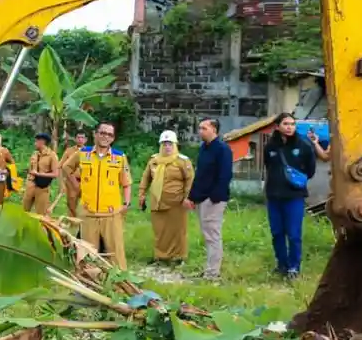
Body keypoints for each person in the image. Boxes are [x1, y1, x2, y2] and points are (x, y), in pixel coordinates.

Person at [61, 122, 132, 269]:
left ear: (113, 138)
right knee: (87, 253)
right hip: (88, 212)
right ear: (96, 134)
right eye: (103, 133)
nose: (105, 137)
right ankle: (89, 285)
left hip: (111, 213)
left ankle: (120, 284)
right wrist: (76, 185)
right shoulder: (83, 154)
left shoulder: (119, 158)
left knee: (115, 252)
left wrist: (126, 203)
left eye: (109, 134)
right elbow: (66, 167)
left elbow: (126, 183)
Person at [263, 113, 317, 279]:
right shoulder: (270, 147)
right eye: (286, 124)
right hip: (274, 196)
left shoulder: (303, 145)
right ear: (277, 126)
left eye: (292, 124)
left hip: (294, 196)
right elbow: (268, 166)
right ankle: (281, 264)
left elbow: (311, 169)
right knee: (277, 233)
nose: (289, 127)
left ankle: (294, 266)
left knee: (294, 234)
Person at [139, 130, 195, 264]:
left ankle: (178, 257)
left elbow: (190, 180)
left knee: (178, 230)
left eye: (170, 144)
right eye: (164, 144)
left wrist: (188, 198)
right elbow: (145, 178)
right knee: (160, 230)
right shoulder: (154, 161)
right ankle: (161, 256)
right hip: (157, 202)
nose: (167, 147)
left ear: (175, 145)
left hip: (177, 203)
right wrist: (141, 194)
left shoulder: (182, 161)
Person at [187, 118, 233, 280]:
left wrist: (214, 197)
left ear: (214, 129)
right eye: (199, 128)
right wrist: (192, 196)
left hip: (213, 199)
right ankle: (209, 269)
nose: (200, 131)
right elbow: (200, 174)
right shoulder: (204, 148)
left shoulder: (222, 149)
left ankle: (213, 273)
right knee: (207, 235)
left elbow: (225, 175)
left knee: (213, 235)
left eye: (204, 128)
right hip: (201, 198)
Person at [23, 132, 60, 214]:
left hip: (42, 187)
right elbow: (30, 169)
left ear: (42, 142)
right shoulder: (34, 154)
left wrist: (39, 174)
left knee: (41, 213)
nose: (34, 144)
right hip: (30, 185)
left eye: (36, 141)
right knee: (24, 211)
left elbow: (55, 174)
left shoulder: (52, 155)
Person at [59, 132, 87, 217]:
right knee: (71, 204)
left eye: (82, 138)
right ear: (75, 139)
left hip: (86, 181)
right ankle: (72, 222)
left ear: (86, 140)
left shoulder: (89, 152)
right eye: (78, 137)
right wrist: (61, 184)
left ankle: (84, 222)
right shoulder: (69, 151)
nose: (80, 140)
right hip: (71, 181)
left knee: (86, 203)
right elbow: (60, 167)